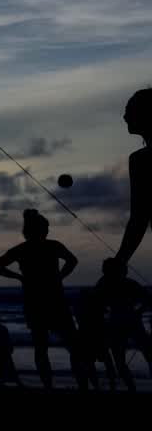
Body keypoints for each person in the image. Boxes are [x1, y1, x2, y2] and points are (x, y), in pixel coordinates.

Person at [0, 209, 89, 390]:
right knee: (72, 349)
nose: (48, 231)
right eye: (46, 228)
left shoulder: (21, 249)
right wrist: (60, 276)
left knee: (42, 350)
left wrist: (18, 277)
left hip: (36, 304)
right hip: (54, 303)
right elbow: (72, 261)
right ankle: (82, 386)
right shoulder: (52, 246)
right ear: (42, 230)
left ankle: (49, 387)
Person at [96, 257, 152, 391]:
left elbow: (97, 304)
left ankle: (132, 388)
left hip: (120, 320)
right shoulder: (127, 283)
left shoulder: (104, 283)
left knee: (121, 359)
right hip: (128, 320)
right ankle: (131, 388)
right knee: (145, 355)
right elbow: (147, 299)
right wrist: (139, 311)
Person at [116, 88, 151, 265]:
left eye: (129, 111)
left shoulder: (141, 161)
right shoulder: (139, 160)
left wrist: (120, 260)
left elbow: (139, 219)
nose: (125, 117)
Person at [77, 289, 117, 390]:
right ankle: (110, 384)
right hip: (95, 337)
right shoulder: (96, 306)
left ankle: (98, 385)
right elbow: (108, 314)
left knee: (90, 364)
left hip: (90, 337)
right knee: (104, 362)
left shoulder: (80, 307)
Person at [0, 312, 20, 387]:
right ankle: (7, 382)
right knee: (5, 368)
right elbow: (7, 339)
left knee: (4, 368)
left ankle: (3, 382)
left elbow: (7, 339)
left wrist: (10, 347)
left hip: (1, 351)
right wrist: (10, 347)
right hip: (1, 351)